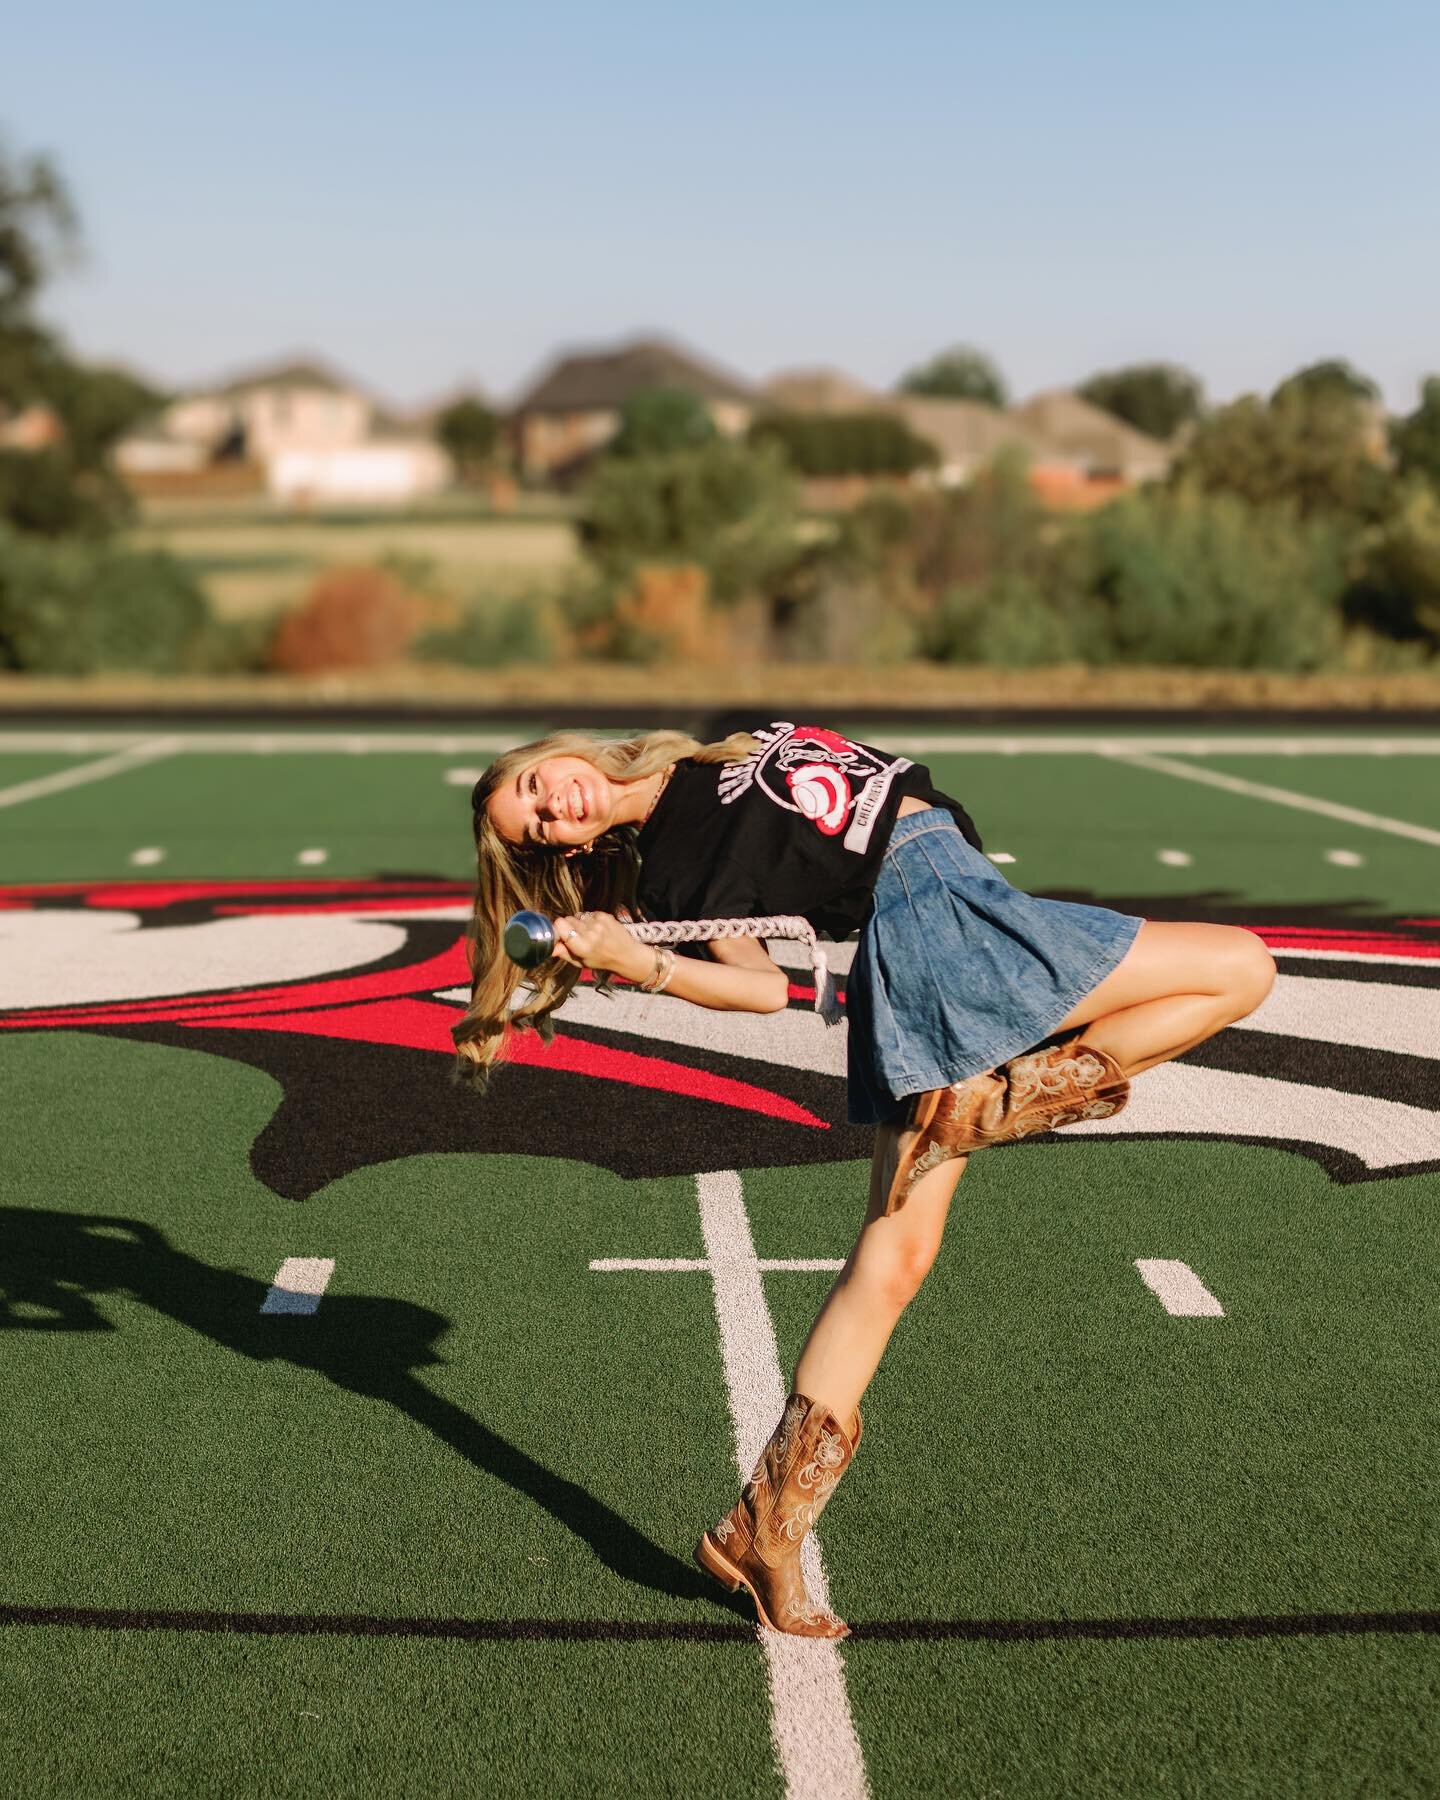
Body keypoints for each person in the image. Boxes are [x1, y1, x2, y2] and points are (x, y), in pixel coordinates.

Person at [459, 722, 1276, 1638]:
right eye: (536, 830)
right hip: (932, 915)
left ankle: (765, 1529)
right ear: (571, 850)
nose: (550, 809)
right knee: (1241, 965)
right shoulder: (674, 874)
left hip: (953, 922)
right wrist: (634, 958)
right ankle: (1000, 1101)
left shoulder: (714, 748)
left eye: (533, 788)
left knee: (894, 1264)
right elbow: (763, 988)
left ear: (556, 753)